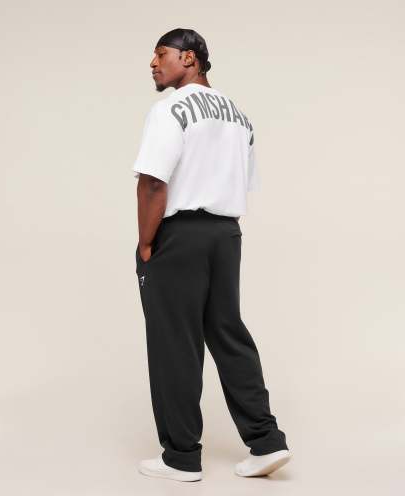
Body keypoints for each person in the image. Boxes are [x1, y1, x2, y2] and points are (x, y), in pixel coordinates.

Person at [132, 28, 291, 482]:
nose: (153, 64)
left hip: (179, 235)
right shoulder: (239, 116)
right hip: (226, 234)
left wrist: (146, 243)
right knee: (228, 333)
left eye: (161, 54)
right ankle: (266, 442)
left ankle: (181, 458)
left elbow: (153, 182)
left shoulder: (170, 109)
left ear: (189, 58)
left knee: (174, 342)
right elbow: (242, 181)